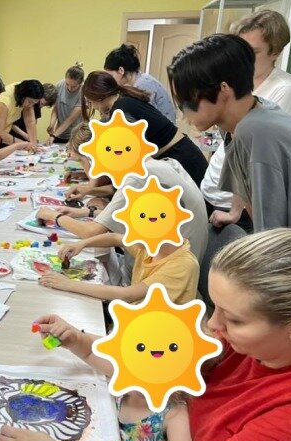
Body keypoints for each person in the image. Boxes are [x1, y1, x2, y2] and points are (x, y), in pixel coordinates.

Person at [0, 227, 291, 441]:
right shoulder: (245, 344)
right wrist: (80, 341)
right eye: (215, 307)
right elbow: (153, 363)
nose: (213, 324)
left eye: (234, 319)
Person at [32, 320, 194, 441]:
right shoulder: (121, 379)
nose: (137, 377)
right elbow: (89, 351)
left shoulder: (174, 413)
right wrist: (73, 339)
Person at [168, 34, 291, 232]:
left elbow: (273, 235)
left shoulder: (255, 131)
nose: (183, 116)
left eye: (188, 103)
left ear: (223, 90)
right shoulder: (242, 120)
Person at [201, 10, 291, 231]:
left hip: (240, 207)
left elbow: (257, 156)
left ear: (275, 52)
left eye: (253, 52)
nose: (242, 59)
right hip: (213, 187)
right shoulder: (237, 81)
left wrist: (235, 211)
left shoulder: (285, 89)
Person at [36, 156, 209, 267]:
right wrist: (86, 213)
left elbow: (91, 232)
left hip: (160, 275)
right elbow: (124, 229)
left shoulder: (138, 178)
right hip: (175, 262)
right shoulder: (163, 164)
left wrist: (53, 216)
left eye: (84, 162)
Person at [82, 71, 208, 188]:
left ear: (98, 99)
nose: (93, 108)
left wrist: (92, 187)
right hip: (182, 152)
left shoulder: (120, 110)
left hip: (181, 158)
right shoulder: (124, 101)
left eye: (90, 103)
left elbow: (129, 157)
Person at [42, 232, 199, 304]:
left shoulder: (182, 265)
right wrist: (82, 244)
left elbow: (127, 295)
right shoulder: (153, 244)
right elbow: (115, 238)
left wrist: (69, 284)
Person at [104, 44, 176, 123]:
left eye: (111, 75)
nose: (110, 80)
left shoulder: (144, 84)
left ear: (121, 70)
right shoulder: (139, 81)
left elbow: (145, 117)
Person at [0, 80, 44, 154]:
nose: (30, 106)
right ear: (23, 95)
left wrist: (33, 145)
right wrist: (22, 144)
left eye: (34, 103)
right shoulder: (5, 101)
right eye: (29, 102)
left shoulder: (25, 92)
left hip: (0, 130)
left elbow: (30, 121)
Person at [46, 62, 86, 144]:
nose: (69, 88)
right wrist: (52, 124)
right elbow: (56, 108)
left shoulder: (84, 91)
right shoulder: (59, 85)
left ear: (81, 83)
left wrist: (53, 135)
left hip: (76, 136)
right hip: (60, 133)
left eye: (74, 86)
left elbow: (70, 119)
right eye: (67, 84)